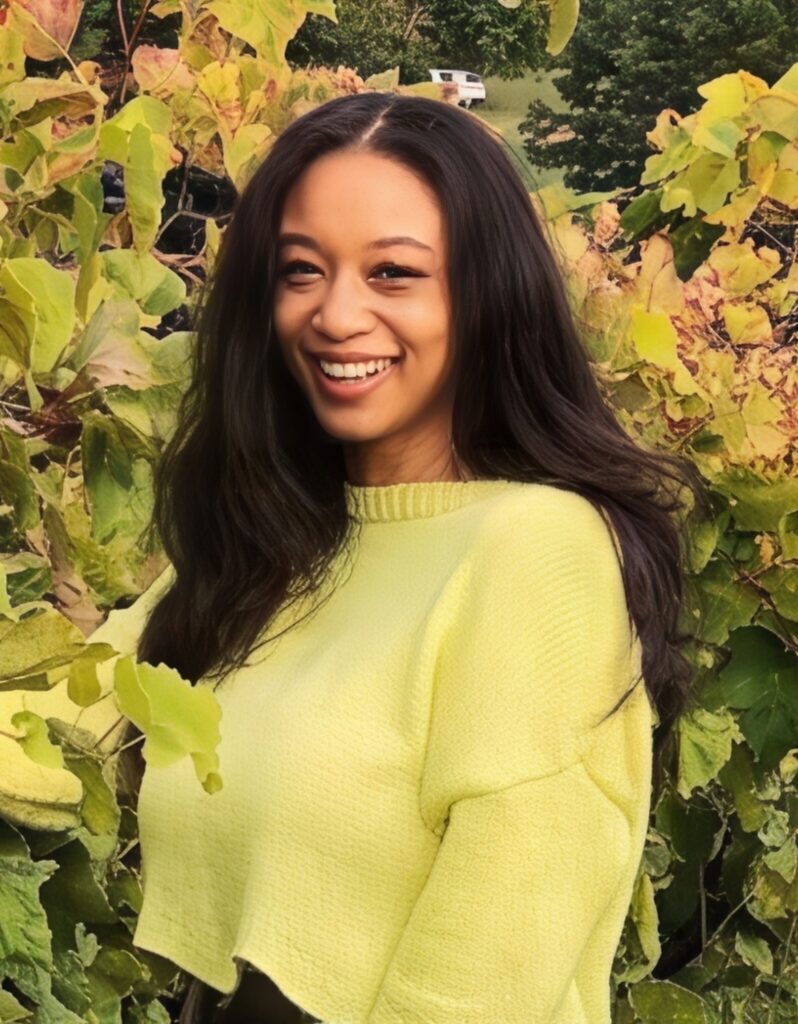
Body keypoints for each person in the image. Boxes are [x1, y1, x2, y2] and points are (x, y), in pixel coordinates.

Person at [56, 91, 707, 1022]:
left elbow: (485, 979)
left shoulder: (539, 550)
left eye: (394, 273)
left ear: (487, 295)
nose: (336, 314)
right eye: (301, 270)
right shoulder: (275, 542)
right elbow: (63, 714)